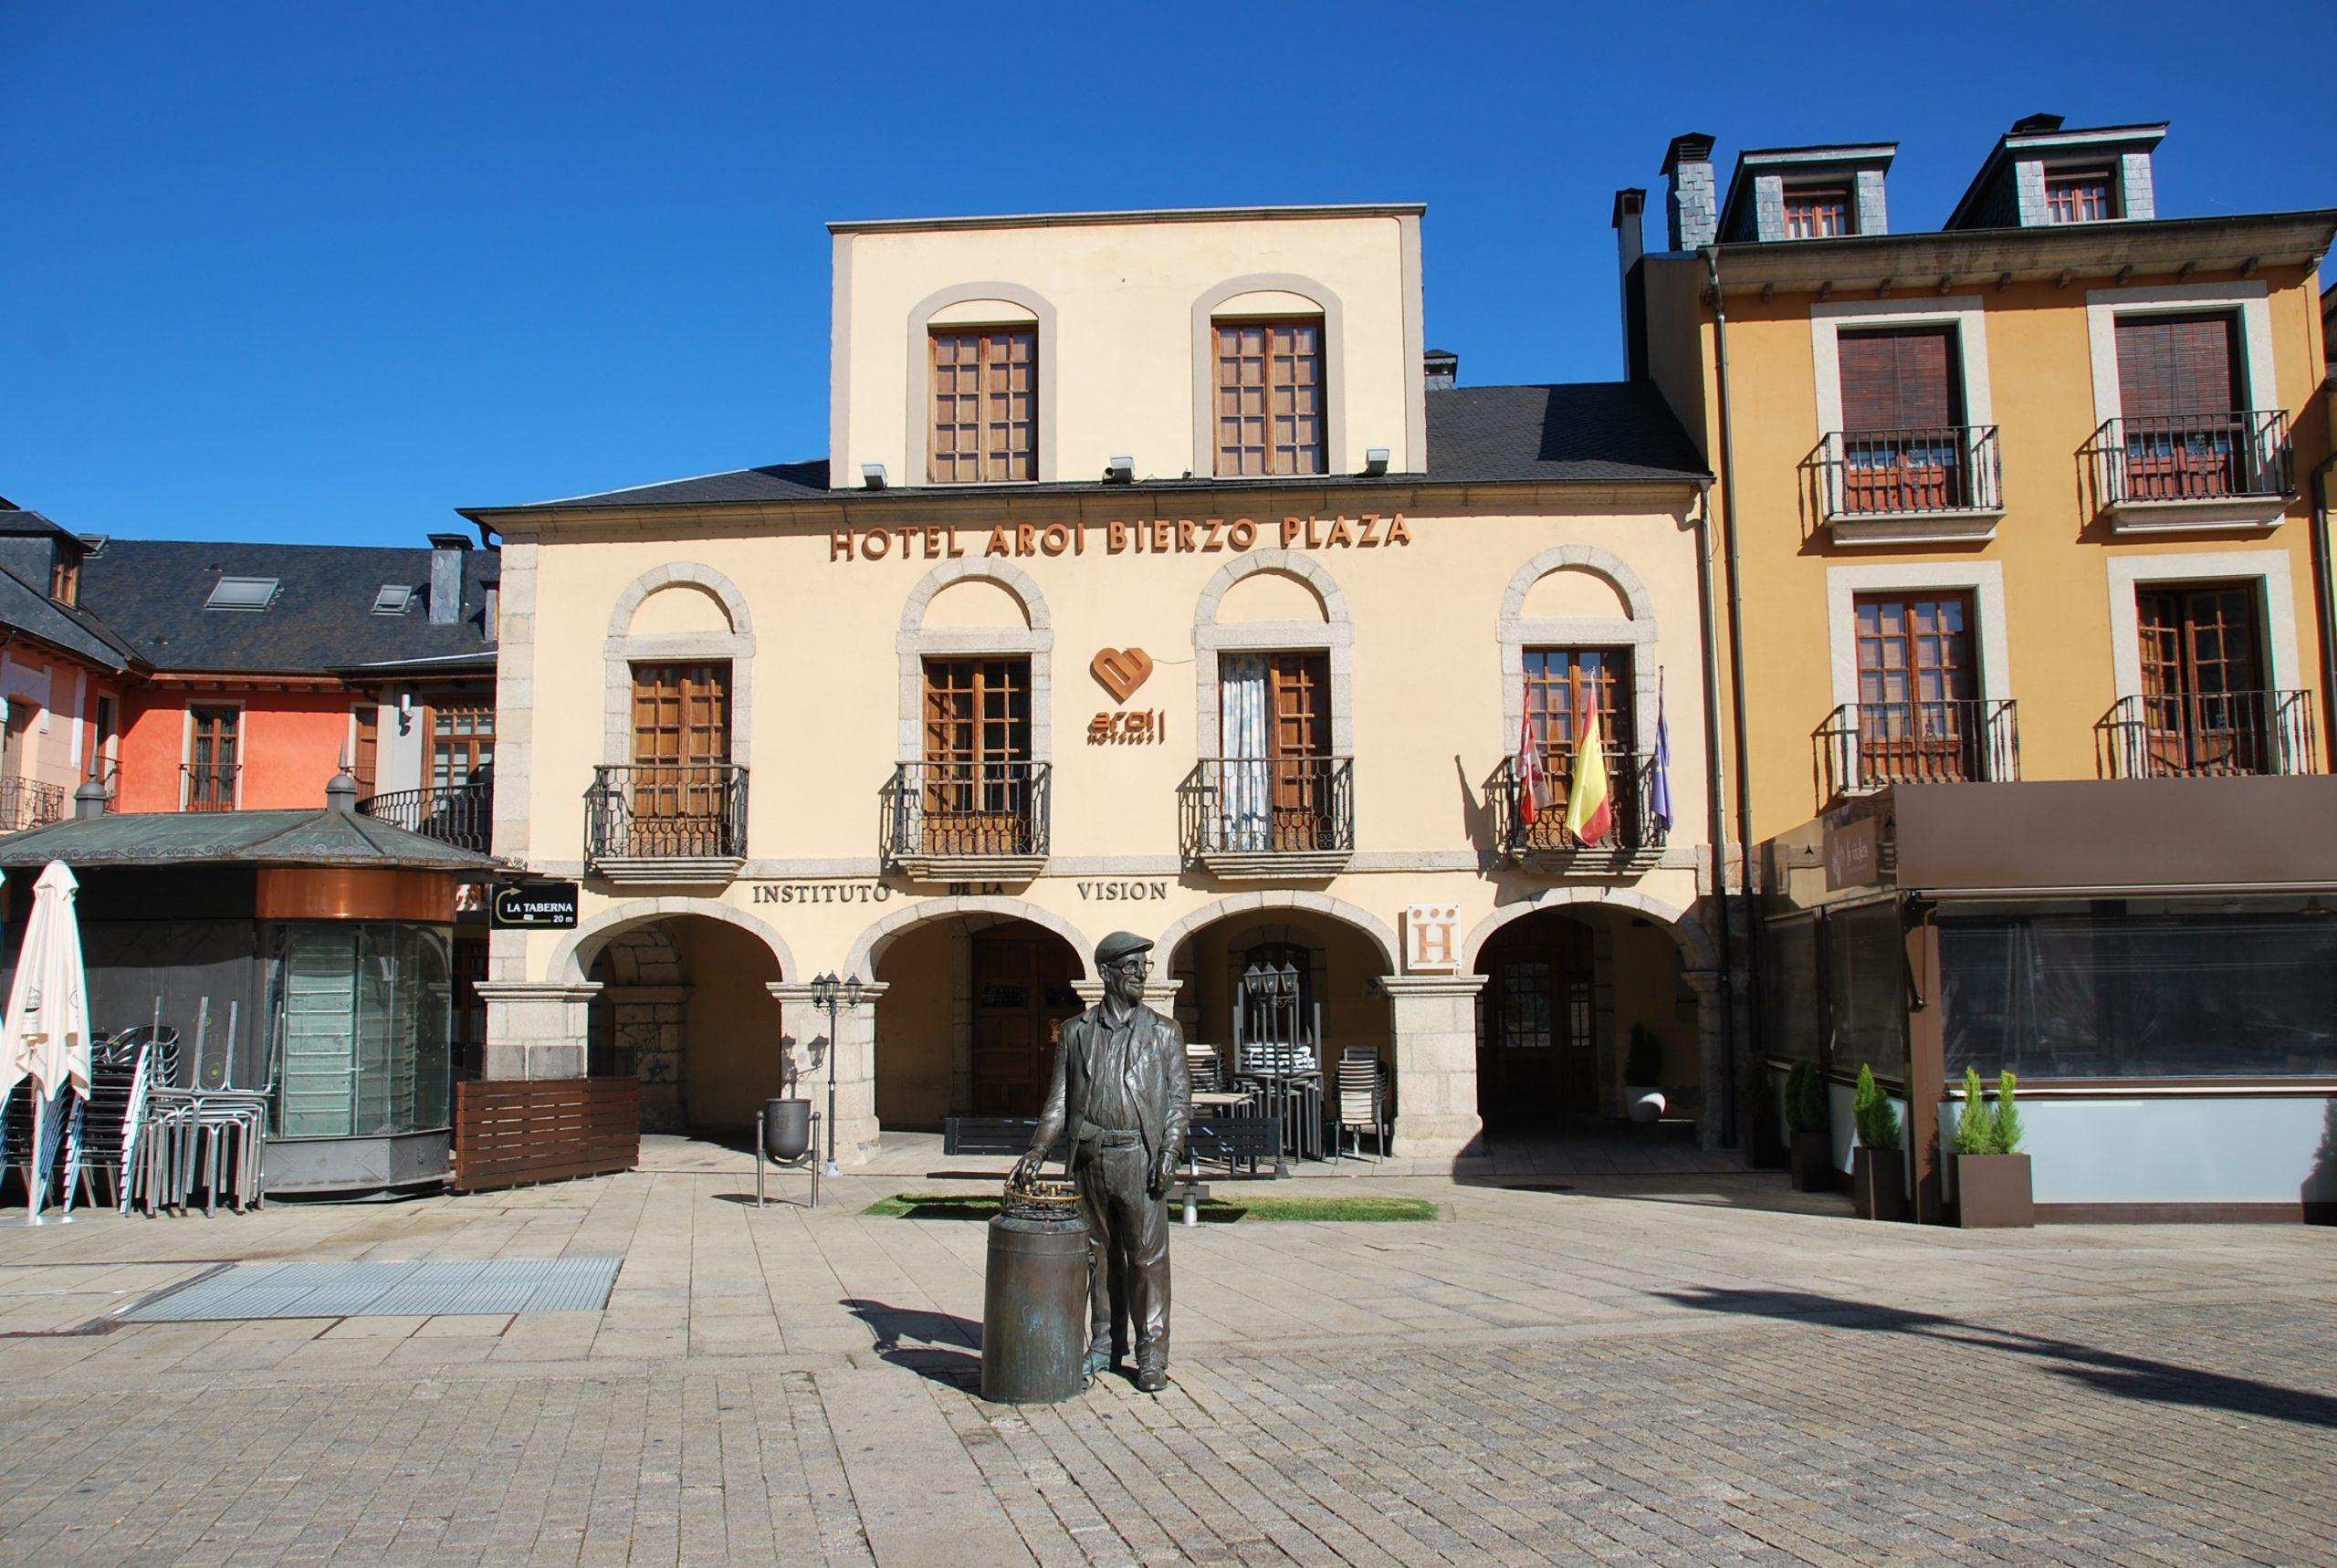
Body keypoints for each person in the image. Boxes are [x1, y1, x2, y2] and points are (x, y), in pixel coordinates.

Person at [1012, 931, 1190, 1392]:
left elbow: (1178, 1101)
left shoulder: (1164, 1032)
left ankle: (1152, 1354)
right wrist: (1037, 1150)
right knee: (1097, 1257)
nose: (1141, 976)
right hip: (1090, 1155)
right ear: (1107, 973)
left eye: (1143, 968)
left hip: (1140, 1155)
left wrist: (1169, 1151)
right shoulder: (1075, 1033)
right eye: (1132, 968)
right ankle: (1104, 1346)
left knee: (1147, 1258)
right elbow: (1058, 1102)